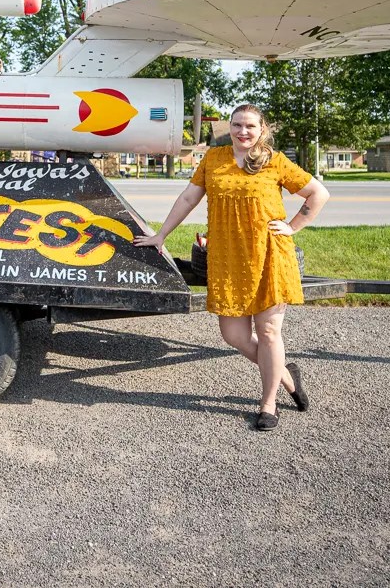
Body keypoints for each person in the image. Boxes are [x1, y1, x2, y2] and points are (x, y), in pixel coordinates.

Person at [134, 104, 330, 431]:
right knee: (234, 335)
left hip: (269, 255)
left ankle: (268, 404)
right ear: (230, 127)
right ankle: (285, 374)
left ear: (261, 128)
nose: (243, 131)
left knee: (268, 332)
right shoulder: (213, 159)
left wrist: (293, 227)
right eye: (237, 125)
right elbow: (188, 198)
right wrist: (161, 234)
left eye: (250, 126)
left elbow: (317, 194)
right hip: (227, 258)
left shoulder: (274, 161)